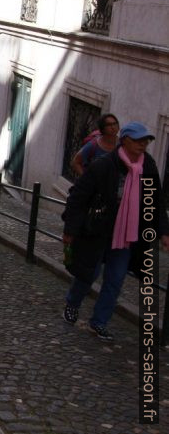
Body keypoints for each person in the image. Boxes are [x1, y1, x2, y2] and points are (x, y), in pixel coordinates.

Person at [62, 122, 169, 340]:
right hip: (98, 232)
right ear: (126, 140)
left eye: (146, 140)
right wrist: (70, 230)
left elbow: (156, 201)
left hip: (127, 235)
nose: (143, 144)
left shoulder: (147, 165)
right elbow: (78, 198)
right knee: (88, 273)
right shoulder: (104, 165)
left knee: (115, 280)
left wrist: (164, 232)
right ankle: (72, 303)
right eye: (139, 140)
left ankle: (99, 322)